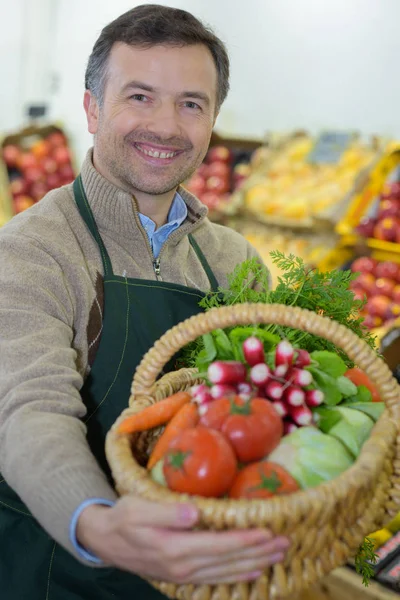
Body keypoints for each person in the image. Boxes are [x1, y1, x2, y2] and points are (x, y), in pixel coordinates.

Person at [0, 5, 289, 599]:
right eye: (139, 96)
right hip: (56, 567)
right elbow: (29, 409)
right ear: (92, 108)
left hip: (197, 571)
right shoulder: (31, 250)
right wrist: (97, 522)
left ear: (212, 121)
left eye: (191, 103)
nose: (166, 126)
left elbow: (264, 417)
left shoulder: (237, 264)